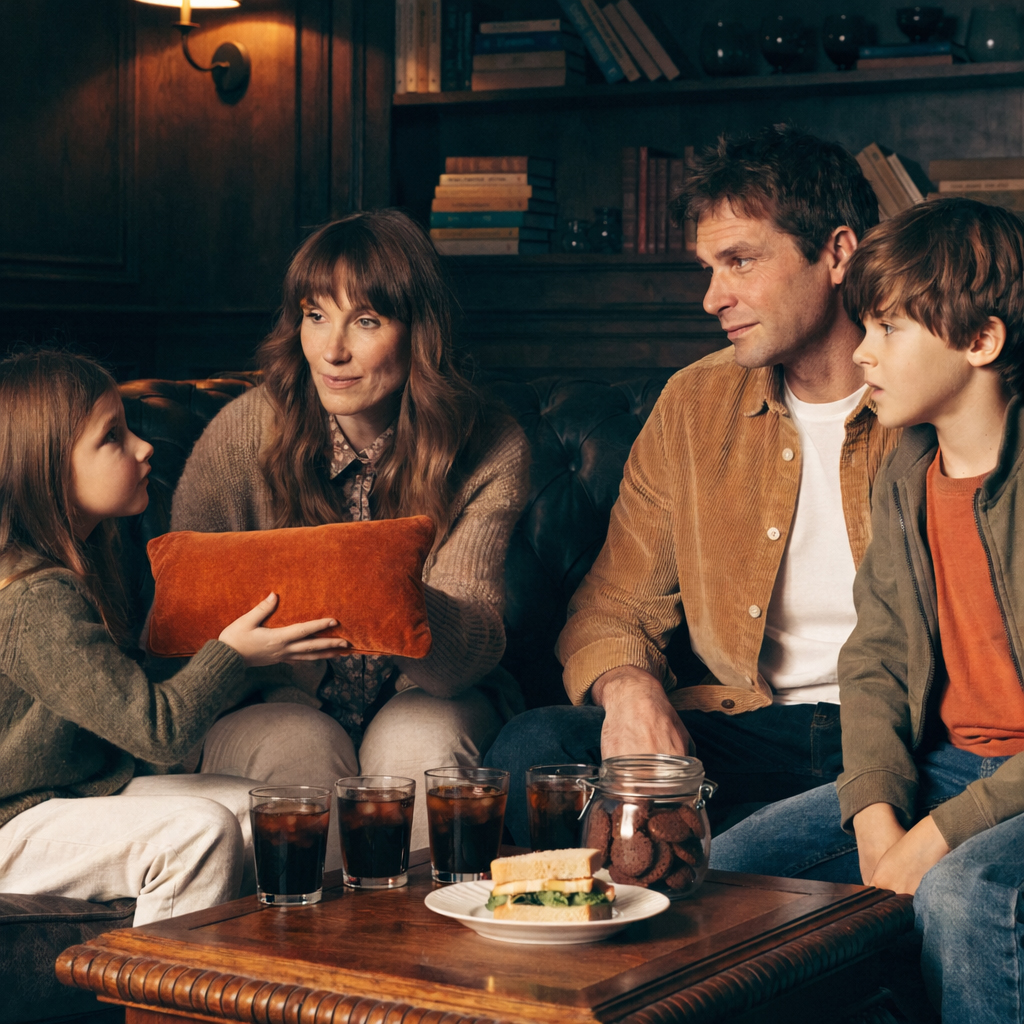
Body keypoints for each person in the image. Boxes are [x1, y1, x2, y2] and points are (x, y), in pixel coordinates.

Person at [486, 124, 900, 845]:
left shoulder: (927, 391)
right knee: (533, 750)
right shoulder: (695, 403)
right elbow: (612, 604)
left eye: (739, 261)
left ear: (838, 253)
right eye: (708, 268)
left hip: (896, 738)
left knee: (733, 861)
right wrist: (630, 689)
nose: (713, 298)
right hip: (745, 726)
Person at [711, 197, 1024, 1023]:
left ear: (981, 341)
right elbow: (876, 659)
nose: (861, 351)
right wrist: (879, 814)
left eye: (888, 329)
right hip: (952, 760)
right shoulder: (907, 471)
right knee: (731, 869)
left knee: (962, 893)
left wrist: (937, 837)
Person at [172, 209, 530, 848]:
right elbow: (183, 634)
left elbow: (462, 661)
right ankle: (309, 944)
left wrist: (362, 578)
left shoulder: (490, 444)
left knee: (422, 740)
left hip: (427, 692)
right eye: (315, 316)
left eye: (366, 321)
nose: (332, 350)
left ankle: (432, 943)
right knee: (297, 747)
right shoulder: (242, 432)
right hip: (272, 699)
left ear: (419, 333)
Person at [0, 350, 348, 925]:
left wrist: (260, 657)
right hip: (12, 820)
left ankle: (301, 978)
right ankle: (164, 1005)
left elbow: (120, 690)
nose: (143, 448)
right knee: (200, 833)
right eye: (112, 437)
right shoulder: (35, 596)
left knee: (272, 812)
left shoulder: (83, 560)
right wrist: (232, 655)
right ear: (47, 469)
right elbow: (157, 732)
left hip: (66, 793)